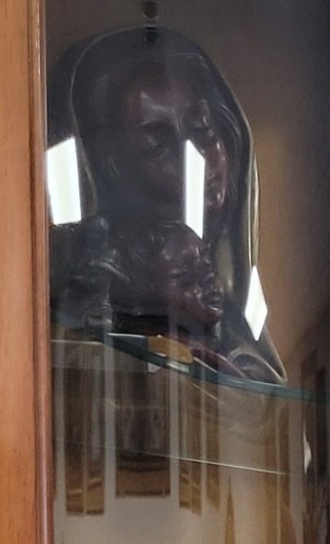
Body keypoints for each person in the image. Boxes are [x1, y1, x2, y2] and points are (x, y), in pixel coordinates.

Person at [48, 26, 284, 382]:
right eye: (156, 145)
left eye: (201, 127)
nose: (195, 158)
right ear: (111, 170)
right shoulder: (96, 327)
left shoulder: (238, 323)